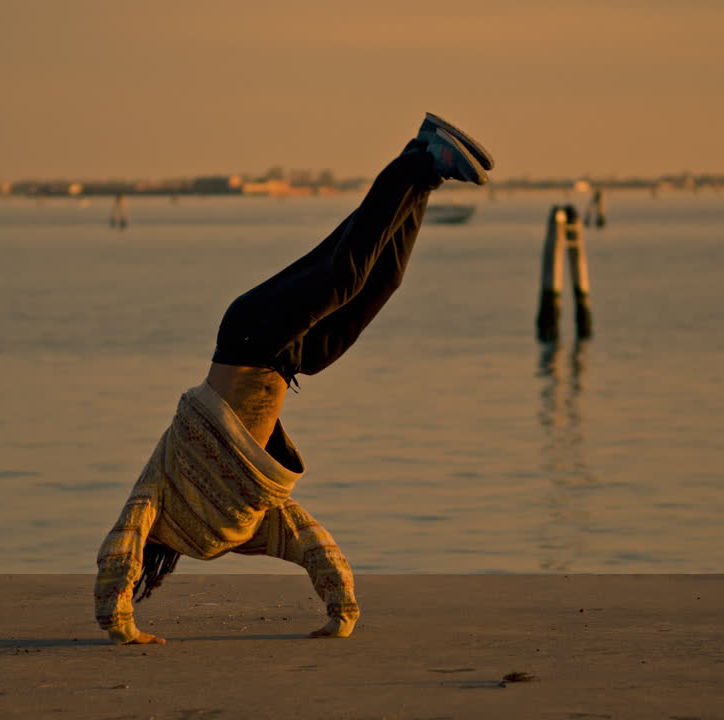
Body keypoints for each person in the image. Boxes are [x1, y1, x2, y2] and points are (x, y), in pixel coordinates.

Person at [94, 113, 494, 645]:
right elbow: (311, 544)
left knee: (344, 273)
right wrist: (341, 611)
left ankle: (422, 159)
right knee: (381, 281)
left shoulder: (161, 497)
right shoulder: (240, 524)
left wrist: (120, 622)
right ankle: (425, 171)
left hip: (247, 342)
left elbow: (119, 546)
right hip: (287, 361)